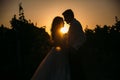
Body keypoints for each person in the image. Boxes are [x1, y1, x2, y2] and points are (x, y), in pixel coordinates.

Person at [62, 9, 86, 80]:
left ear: (69, 16)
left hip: (75, 52)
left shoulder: (75, 24)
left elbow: (82, 38)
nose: (64, 20)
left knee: (77, 71)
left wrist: (74, 48)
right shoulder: (73, 24)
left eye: (65, 17)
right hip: (72, 51)